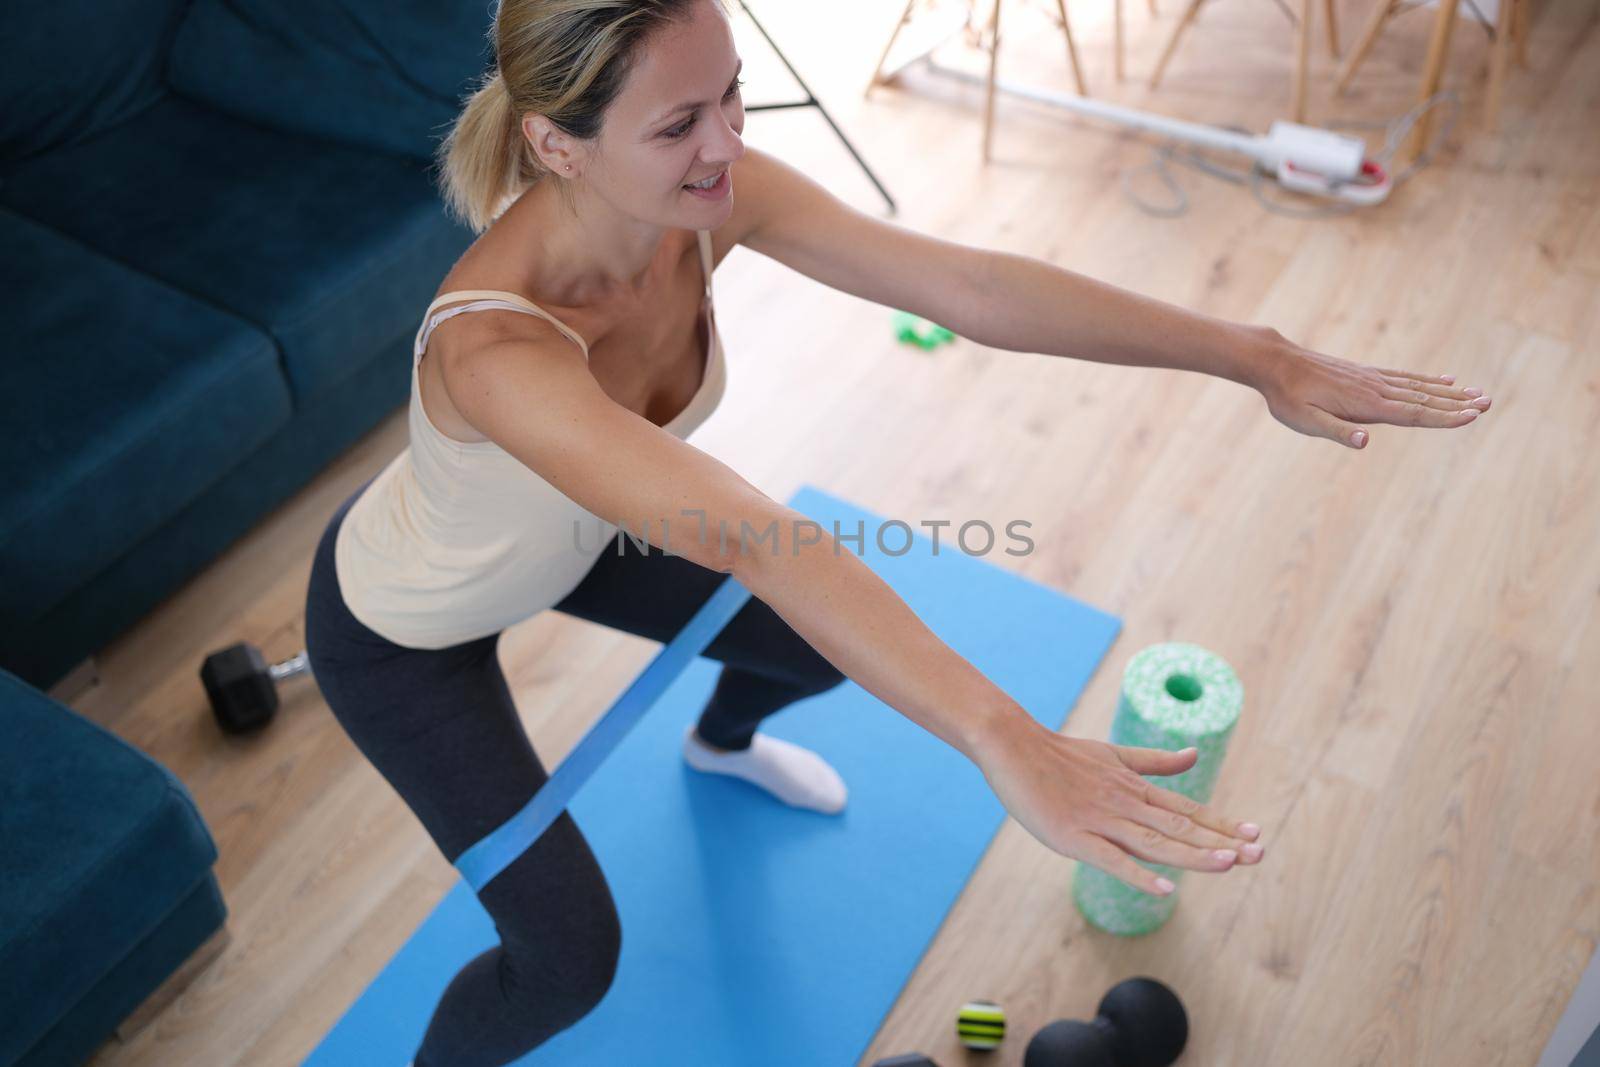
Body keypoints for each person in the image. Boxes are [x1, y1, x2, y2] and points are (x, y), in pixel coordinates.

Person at [303, 1, 1493, 1063]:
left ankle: (720, 742)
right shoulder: (496, 348)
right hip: (412, 621)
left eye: (730, 97)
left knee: (820, 645)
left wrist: (1253, 352)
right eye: (679, 126)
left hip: (575, 537)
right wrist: (1004, 734)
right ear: (556, 143)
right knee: (569, 957)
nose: (725, 144)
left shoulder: (703, 203)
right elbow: (762, 539)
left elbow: (967, 288)